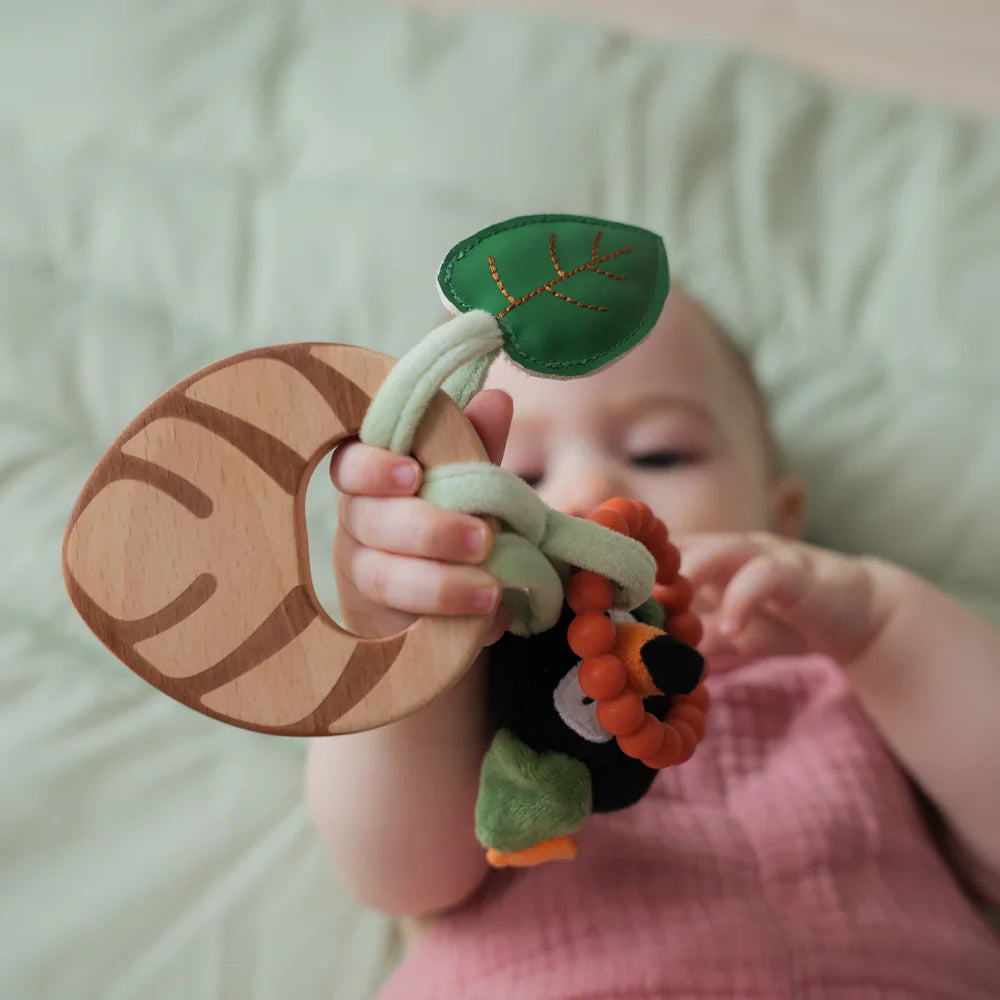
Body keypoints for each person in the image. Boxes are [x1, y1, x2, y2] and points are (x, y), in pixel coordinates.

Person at [305, 286, 1000, 997]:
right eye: (521, 478)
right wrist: (408, 641)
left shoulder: (859, 674)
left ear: (782, 517)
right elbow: (400, 875)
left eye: (662, 453)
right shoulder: (478, 686)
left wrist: (883, 623)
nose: (588, 489)